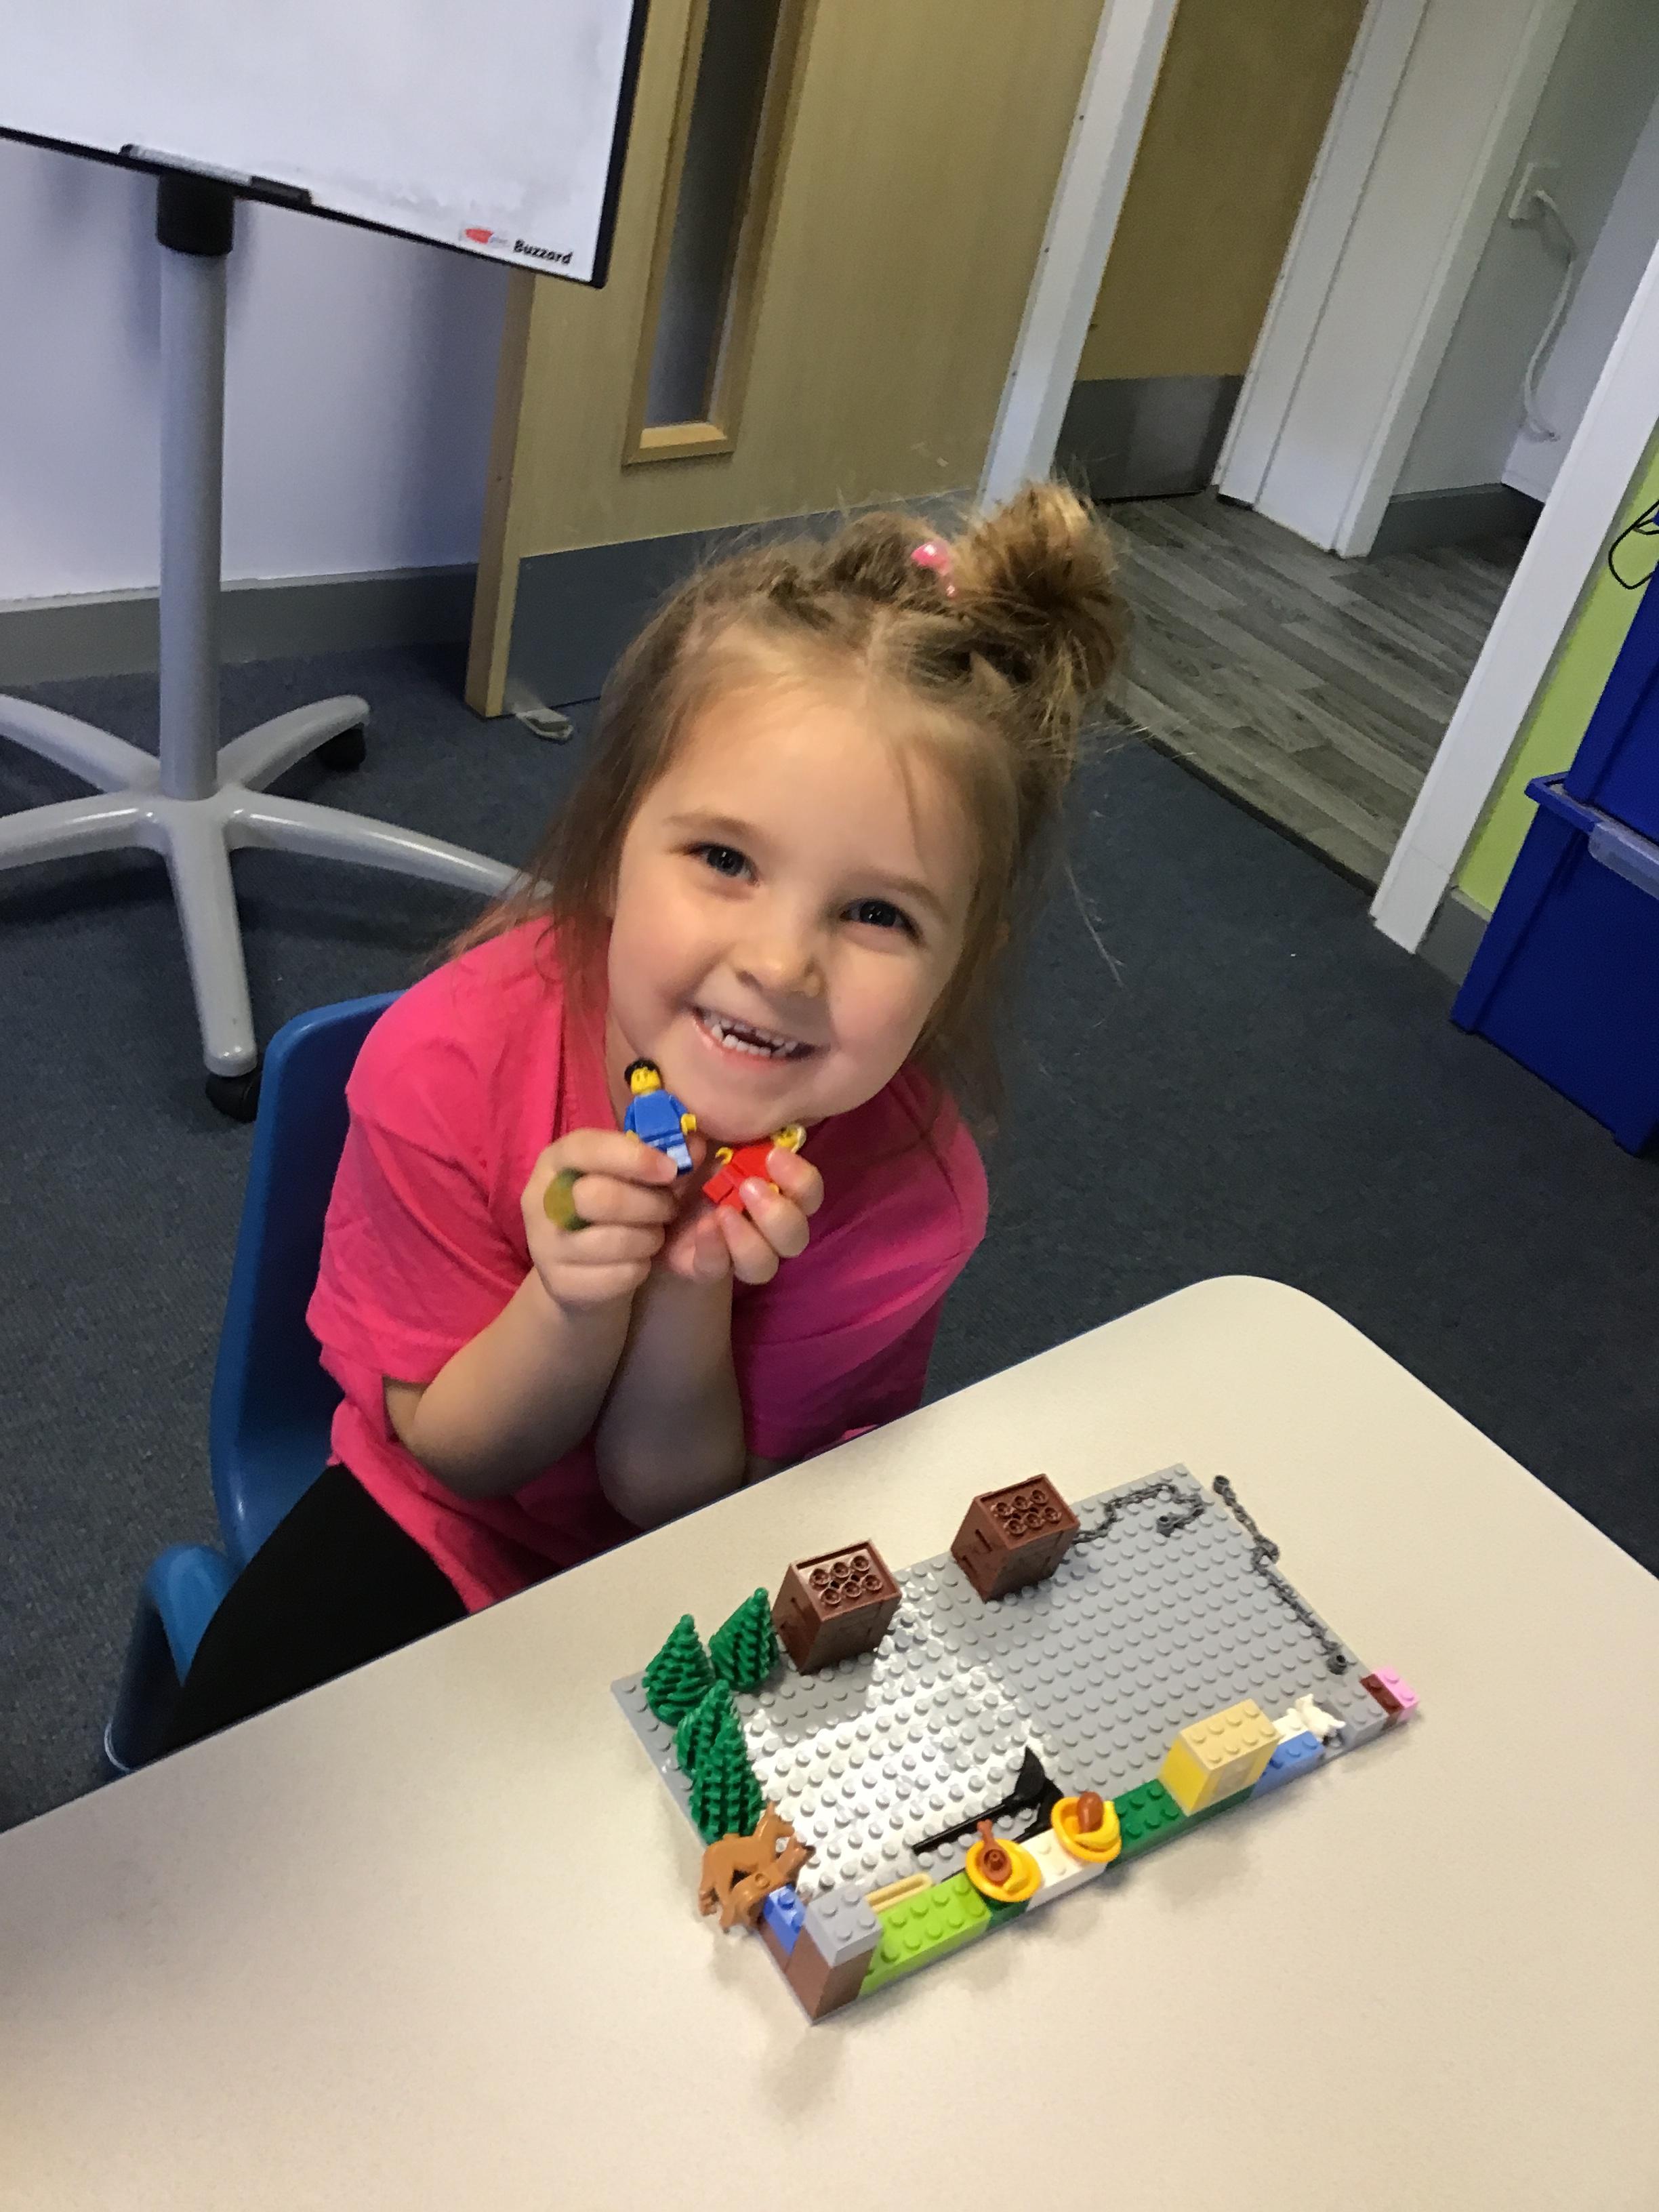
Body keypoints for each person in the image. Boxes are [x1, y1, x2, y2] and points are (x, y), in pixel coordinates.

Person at [162, 483, 1124, 1750]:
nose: (781, 963)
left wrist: (686, 1290)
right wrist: (569, 1300)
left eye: (878, 914)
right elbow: (452, 1457)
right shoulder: (449, 1061)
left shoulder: (912, 1195)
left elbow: (676, 1507)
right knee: (233, 1786)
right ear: (615, 845)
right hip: (438, 1522)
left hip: (699, 1570)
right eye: (726, 860)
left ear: (959, 965)